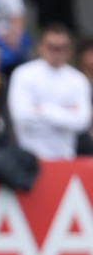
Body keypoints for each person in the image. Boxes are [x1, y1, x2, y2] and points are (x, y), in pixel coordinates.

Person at [8, 23, 92, 160]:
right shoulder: (23, 74)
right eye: (51, 47)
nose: (56, 52)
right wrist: (66, 113)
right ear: (40, 46)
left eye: (61, 48)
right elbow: (21, 117)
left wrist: (42, 109)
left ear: (69, 50)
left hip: (65, 157)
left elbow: (82, 121)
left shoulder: (79, 80)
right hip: (29, 158)